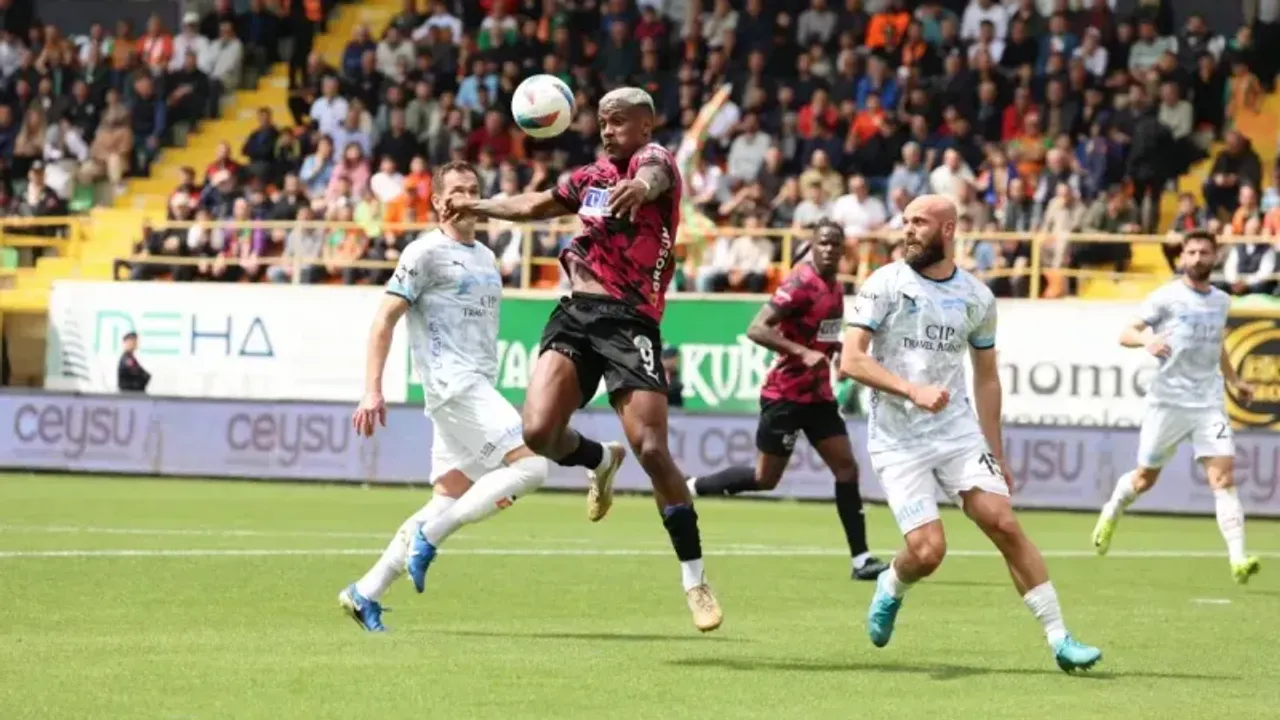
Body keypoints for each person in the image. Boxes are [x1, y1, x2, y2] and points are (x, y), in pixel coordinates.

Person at [442, 87, 722, 632]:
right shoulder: (589, 177)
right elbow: (533, 205)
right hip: (575, 312)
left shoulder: (656, 162)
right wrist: (477, 206)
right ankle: (599, 460)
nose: (607, 130)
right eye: (602, 122)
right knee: (538, 431)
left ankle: (695, 579)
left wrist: (639, 187)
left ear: (645, 125)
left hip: (630, 320)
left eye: (618, 122)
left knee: (652, 449)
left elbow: (654, 177)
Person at [840, 194, 1102, 672]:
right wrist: (911, 390)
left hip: (956, 433)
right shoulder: (885, 283)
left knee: (1004, 523)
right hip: (898, 439)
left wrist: (995, 452)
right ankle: (891, 584)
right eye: (906, 221)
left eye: (920, 222)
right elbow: (852, 359)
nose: (908, 229)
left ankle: (1060, 638)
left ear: (948, 229)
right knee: (928, 552)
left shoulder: (977, 297)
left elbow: (986, 378)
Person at [342, 162, 551, 632]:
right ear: (438, 201)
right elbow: (383, 320)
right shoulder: (424, 253)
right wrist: (372, 389)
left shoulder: (486, 257)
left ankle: (365, 592)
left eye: (474, 189)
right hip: (452, 385)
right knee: (532, 467)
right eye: (457, 191)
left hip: (475, 384)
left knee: (447, 496)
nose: (467, 197)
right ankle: (431, 539)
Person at [687, 220, 889, 582]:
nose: (829, 249)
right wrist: (802, 352)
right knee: (765, 479)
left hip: (818, 397)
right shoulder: (799, 284)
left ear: (843, 250)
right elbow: (756, 328)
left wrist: (836, 353)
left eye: (835, 244)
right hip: (785, 394)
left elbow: (824, 333)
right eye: (823, 243)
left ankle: (861, 560)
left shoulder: (835, 286)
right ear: (812, 245)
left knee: (847, 468)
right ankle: (689, 488)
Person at [1092, 231, 1260, 584]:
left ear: (1214, 257)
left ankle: (1238, 559)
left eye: (1204, 252)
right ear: (1182, 256)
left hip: (1208, 403)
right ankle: (1113, 507)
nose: (1197, 258)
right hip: (1167, 403)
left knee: (1223, 477)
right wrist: (1147, 340)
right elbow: (1126, 333)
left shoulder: (1221, 301)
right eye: (1192, 252)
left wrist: (1234, 380)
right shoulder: (1166, 297)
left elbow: (1216, 344)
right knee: (1144, 479)